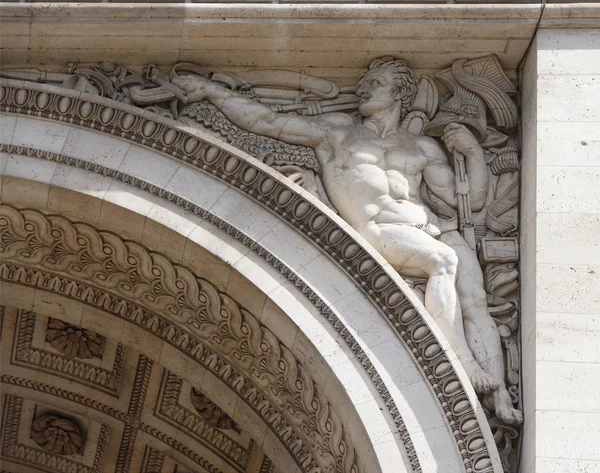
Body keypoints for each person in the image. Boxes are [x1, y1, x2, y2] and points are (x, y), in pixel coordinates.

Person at [172, 56, 522, 425]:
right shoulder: (338, 131)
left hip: (430, 227)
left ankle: (497, 390)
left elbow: (466, 202)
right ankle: (465, 364)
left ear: (400, 92)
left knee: (475, 296)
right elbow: (268, 121)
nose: (363, 87)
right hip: (379, 231)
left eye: (375, 82)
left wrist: (473, 152)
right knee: (443, 261)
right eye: (363, 81)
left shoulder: (423, 148)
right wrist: (211, 91)